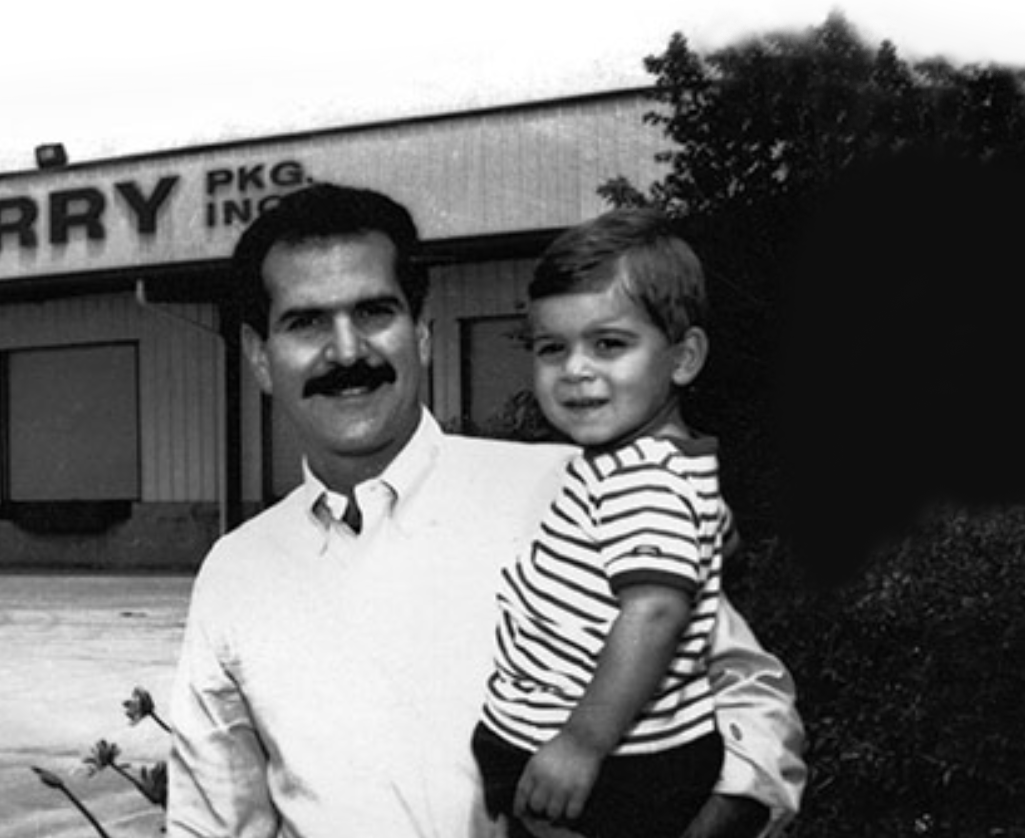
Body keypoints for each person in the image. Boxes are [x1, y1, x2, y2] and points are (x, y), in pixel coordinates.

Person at [166, 183, 805, 838]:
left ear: (421, 334)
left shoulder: (572, 492)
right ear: (258, 357)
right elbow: (214, 821)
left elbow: (749, 699)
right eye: (305, 322)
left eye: (375, 313)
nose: (348, 352)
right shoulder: (235, 573)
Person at [473, 209, 725, 838]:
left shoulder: (643, 474)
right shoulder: (638, 463)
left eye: (609, 344)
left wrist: (582, 741)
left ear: (684, 357)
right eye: (552, 348)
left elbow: (655, 612)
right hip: (595, 759)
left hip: (609, 769)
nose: (575, 369)